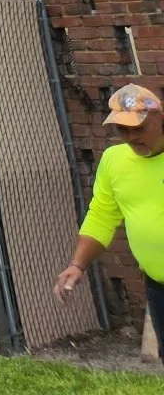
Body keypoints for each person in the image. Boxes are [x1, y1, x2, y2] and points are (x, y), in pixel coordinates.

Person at [56, 83, 164, 349]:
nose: (130, 137)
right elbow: (102, 216)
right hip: (158, 286)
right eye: (122, 129)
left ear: (161, 118)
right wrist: (77, 265)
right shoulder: (114, 160)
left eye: (138, 128)